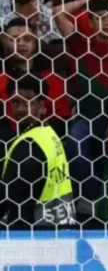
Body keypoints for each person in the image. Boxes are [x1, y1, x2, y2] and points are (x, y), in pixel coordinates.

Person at [0, 75, 75, 228]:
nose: (20, 109)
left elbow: (7, 197)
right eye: (15, 102)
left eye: (28, 101)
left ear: (42, 105)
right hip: (60, 226)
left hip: (30, 236)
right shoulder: (50, 136)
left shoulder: (29, 145)